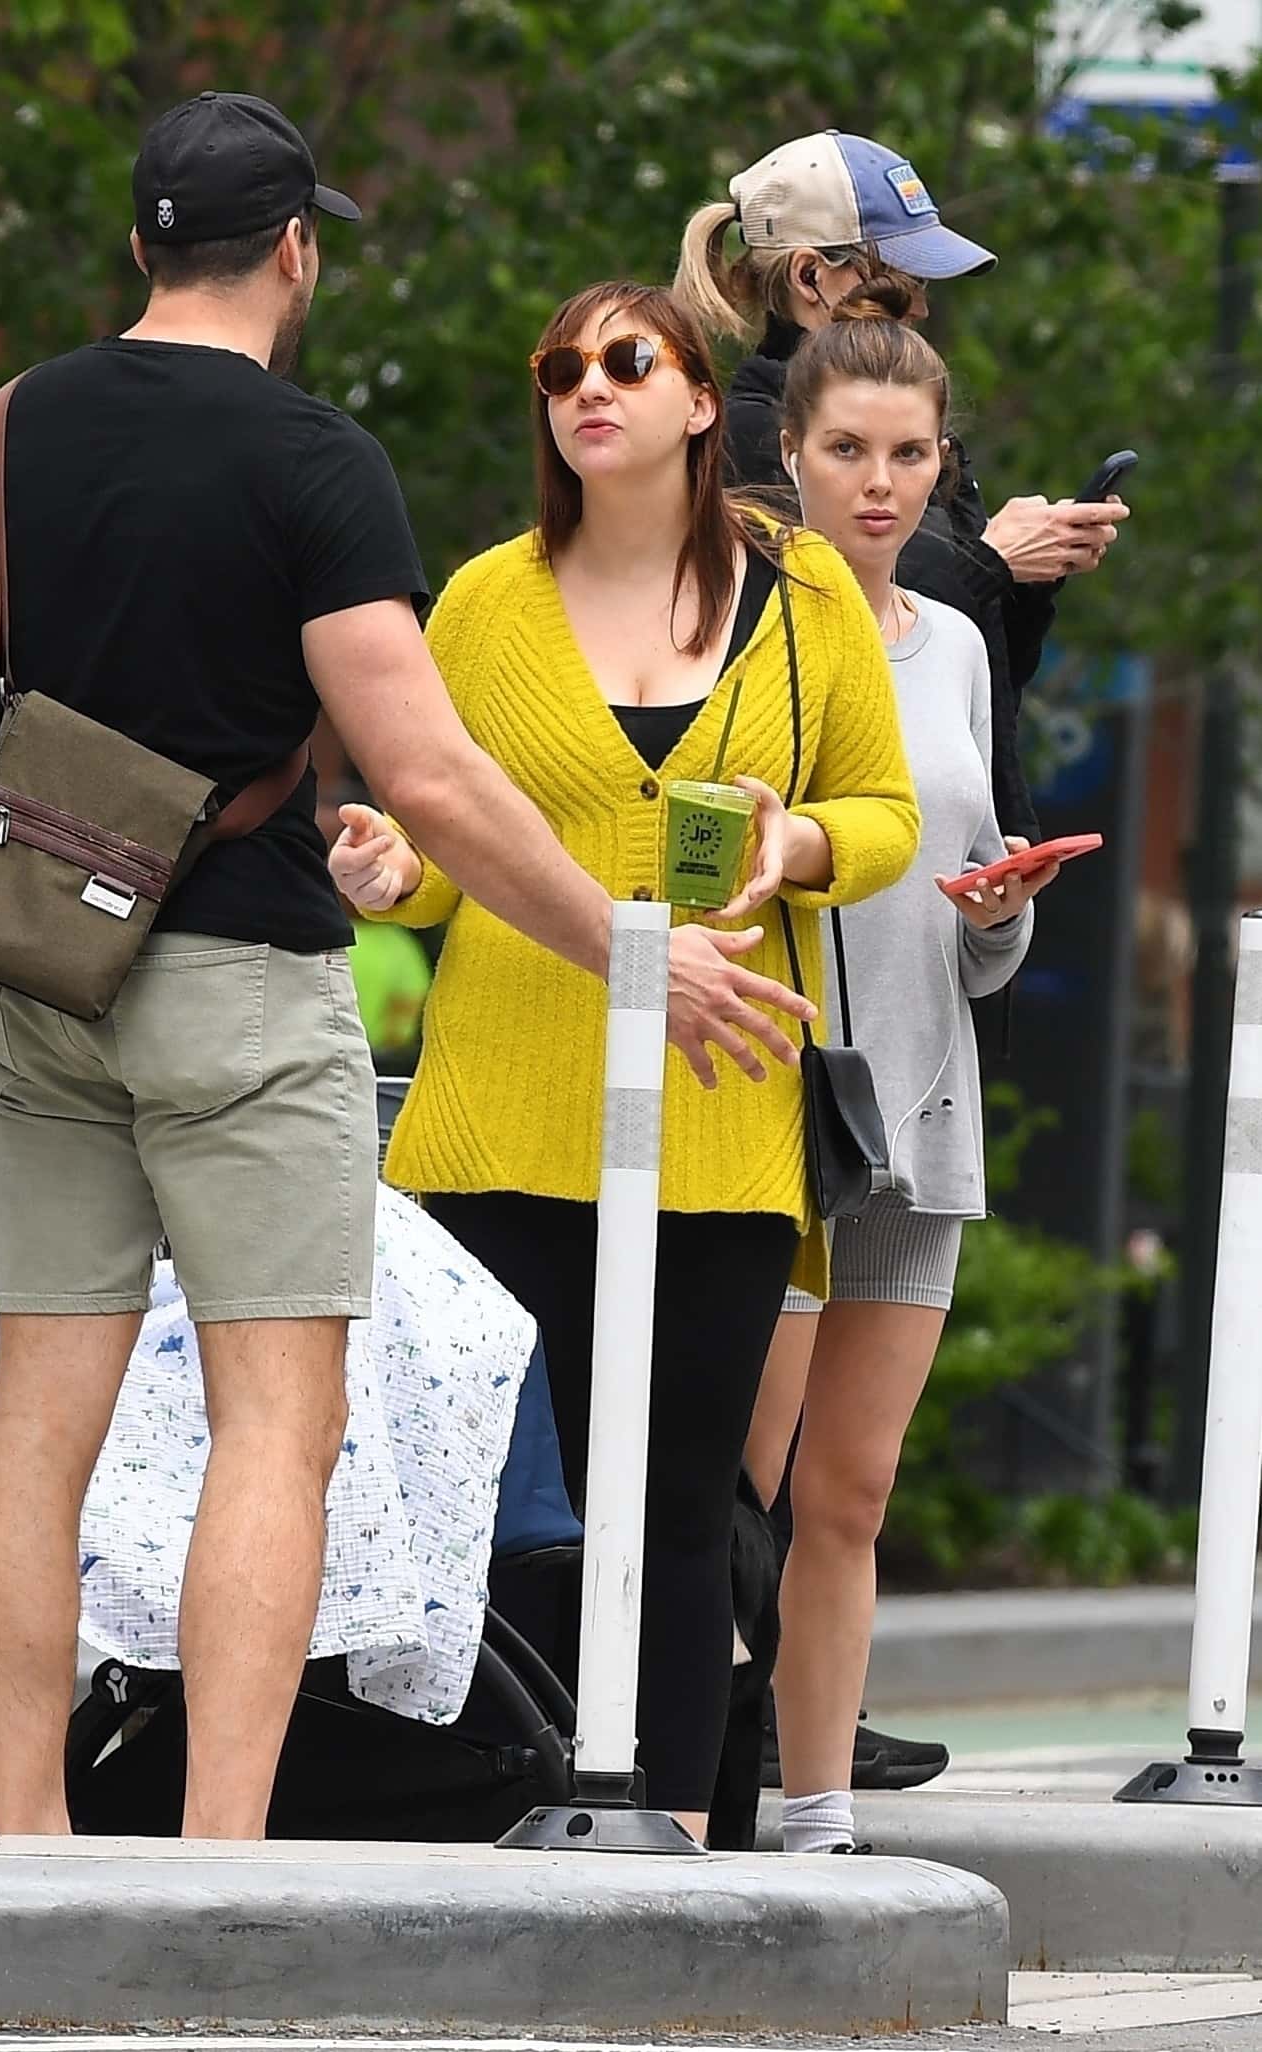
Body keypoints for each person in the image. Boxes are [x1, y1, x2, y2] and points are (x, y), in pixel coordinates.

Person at [0, 95, 814, 1842]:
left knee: (38, 1425)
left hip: (41, 984)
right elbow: (421, 774)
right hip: (242, 982)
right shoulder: (310, 459)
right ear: (294, 251)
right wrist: (627, 948)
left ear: (140, 247)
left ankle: (25, 1852)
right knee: (269, 1423)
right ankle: (212, 1857)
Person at [329, 281, 920, 1842]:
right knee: (486, 1506)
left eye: (625, 362)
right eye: (561, 369)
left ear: (702, 399)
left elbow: (887, 817)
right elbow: (446, 842)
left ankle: (662, 1827)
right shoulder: (481, 601)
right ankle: (476, 1805)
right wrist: (393, 867)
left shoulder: (799, 592)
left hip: (720, 1117)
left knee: (669, 1506)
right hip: (496, 1118)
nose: (589, 389)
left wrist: (795, 842)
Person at [740, 285, 1054, 1855]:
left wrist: (997, 909)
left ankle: (817, 1814)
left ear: (943, 465)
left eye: (911, 452)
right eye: (849, 447)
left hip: (920, 1107)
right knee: (736, 1480)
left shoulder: (956, 652)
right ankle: (672, 1775)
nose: (882, 479)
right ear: (787, 451)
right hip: (770, 1104)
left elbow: (972, 943)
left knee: (846, 1499)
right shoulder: (743, 627)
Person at [674, 128, 1130, 845]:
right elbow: (841, 616)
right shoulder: (747, 438)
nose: (919, 308)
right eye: (900, 281)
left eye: (910, 453)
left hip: (956, 844)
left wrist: (1032, 574)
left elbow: (983, 661)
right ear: (808, 278)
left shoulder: (924, 417)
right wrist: (990, 560)